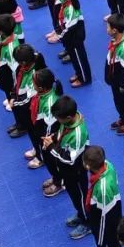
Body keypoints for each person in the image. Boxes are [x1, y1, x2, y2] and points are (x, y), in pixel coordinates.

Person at [43, 95, 90, 238]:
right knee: (73, 195)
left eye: (58, 118)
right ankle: (81, 214)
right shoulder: (68, 123)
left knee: (81, 197)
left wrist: (51, 147)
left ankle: (88, 223)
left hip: (76, 171)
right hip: (67, 171)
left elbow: (69, 159)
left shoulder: (78, 134)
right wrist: (53, 138)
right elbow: (61, 133)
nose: (57, 120)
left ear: (69, 117)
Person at [82, 145, 122, 247]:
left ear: (87, 166)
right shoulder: (108, 165)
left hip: (106, 229)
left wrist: (101, 238)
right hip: (111, 218)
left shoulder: (102, 190)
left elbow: (105, 217)